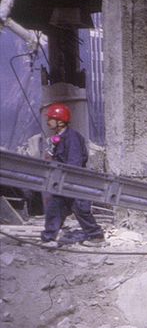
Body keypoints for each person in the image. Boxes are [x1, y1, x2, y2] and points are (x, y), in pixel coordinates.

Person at [39, 103, 105, 247]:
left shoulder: (72, 138)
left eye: (50, 118)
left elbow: (74, 163)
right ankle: (48, 238)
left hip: (74, 182)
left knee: (80, 209)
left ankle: (96, 236)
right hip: (63, 182)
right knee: (55, 208)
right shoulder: (59, 137)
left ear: (60, 121)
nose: (47, 121)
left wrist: (64, 178)